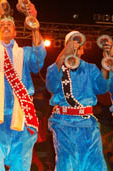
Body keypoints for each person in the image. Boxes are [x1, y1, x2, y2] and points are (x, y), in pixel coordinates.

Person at [0, 2, 46, 170]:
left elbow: (39, 59)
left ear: (15, 31)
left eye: (10, 25)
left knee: (21, 164)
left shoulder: (25, 53)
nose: (6, 27)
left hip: (22, 115)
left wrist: (34, 23)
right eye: (3, 25)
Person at [46, 30, 109, 170]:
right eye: (71, 45)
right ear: (65, 47)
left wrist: (106, 66)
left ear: (83, 50)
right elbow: (50, 85)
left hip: (88, 124)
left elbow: (102, 87)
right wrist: (64, 54)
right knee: (67, 163)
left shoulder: (90, 68)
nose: (76, 48)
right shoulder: (57, 67)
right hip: (63, 123)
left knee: (95, 164)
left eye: (78, 45)